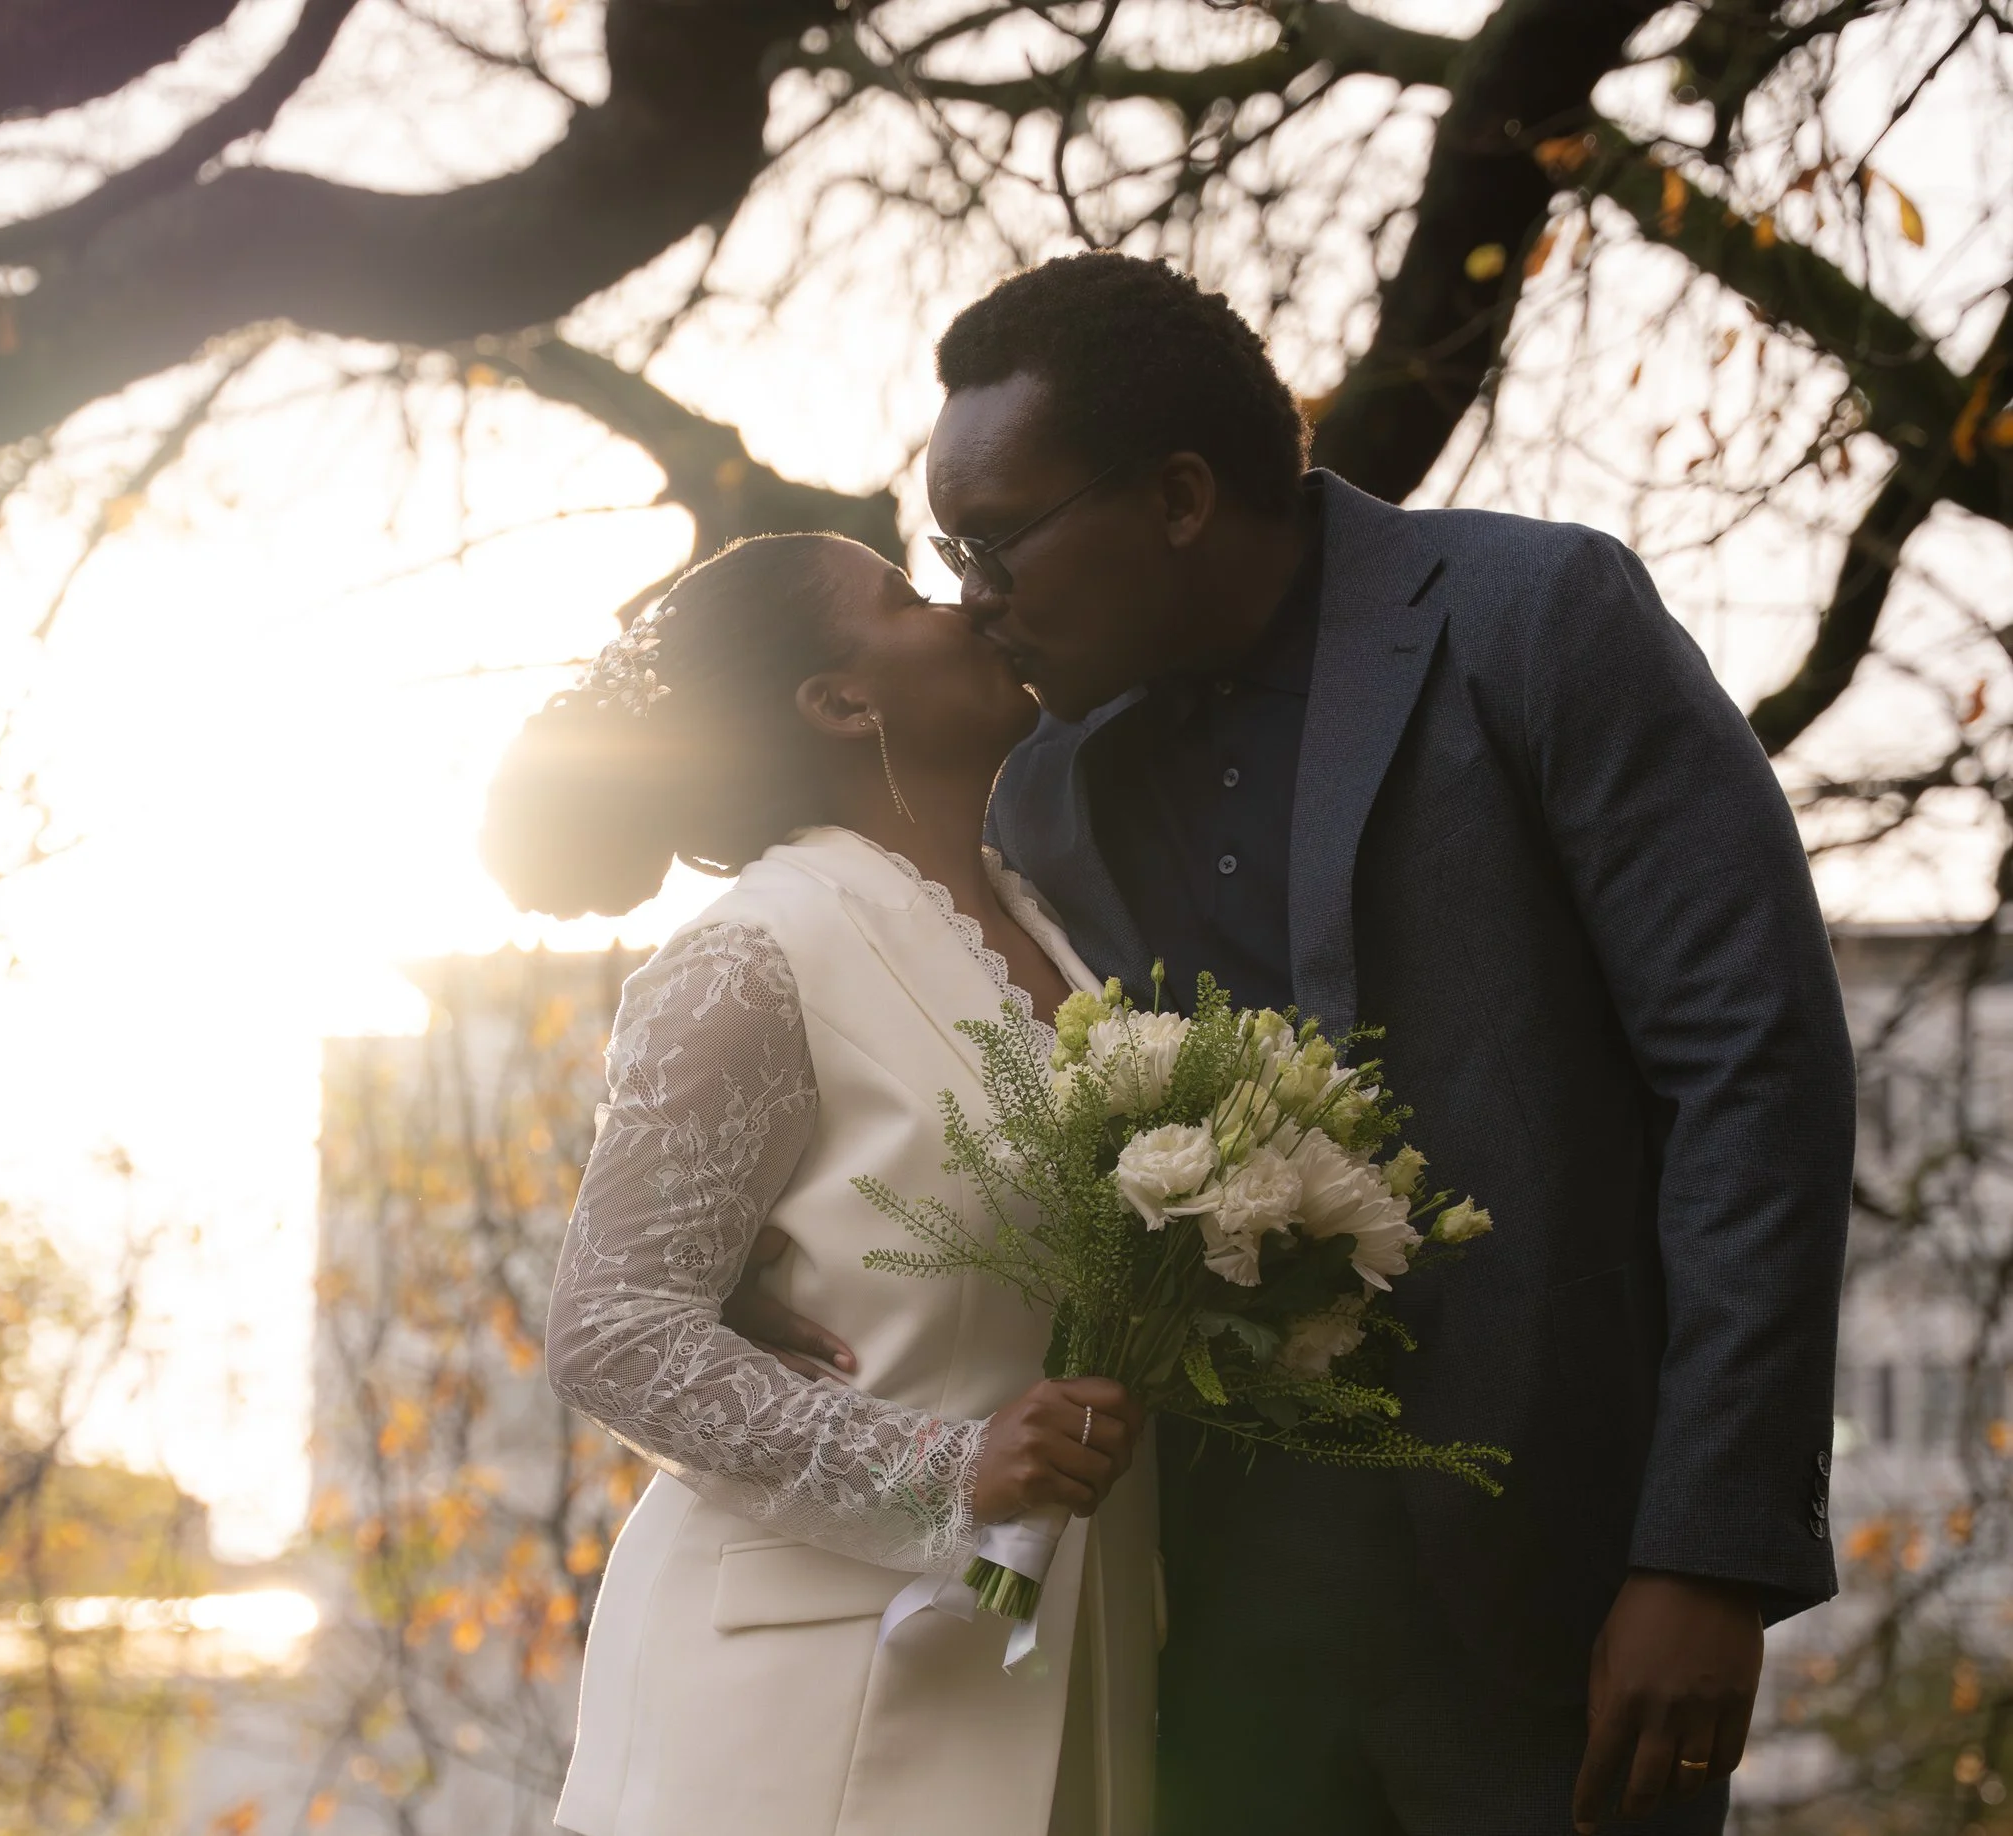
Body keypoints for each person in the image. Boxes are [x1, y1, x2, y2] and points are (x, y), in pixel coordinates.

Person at [728, 253, 1855, 1834]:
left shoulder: (1540, 619)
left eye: (994, 541)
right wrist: (753, 1259)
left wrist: (1708, 1553)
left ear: (1181, 495)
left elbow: (1756, 1073)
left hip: (1567, 1609)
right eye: (944, 554)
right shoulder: (1037, 796)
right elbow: (921, 1070)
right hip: (1210, 1639)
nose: (973, 593)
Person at [486, 533, 1160, 1836]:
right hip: (805, 1710)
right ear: (841, 702)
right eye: (907, 598)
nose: (966, 608)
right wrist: (947, 1470)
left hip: (1066, 1679)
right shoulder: (752, 952)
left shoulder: (1056, 931)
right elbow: (614, 1328)